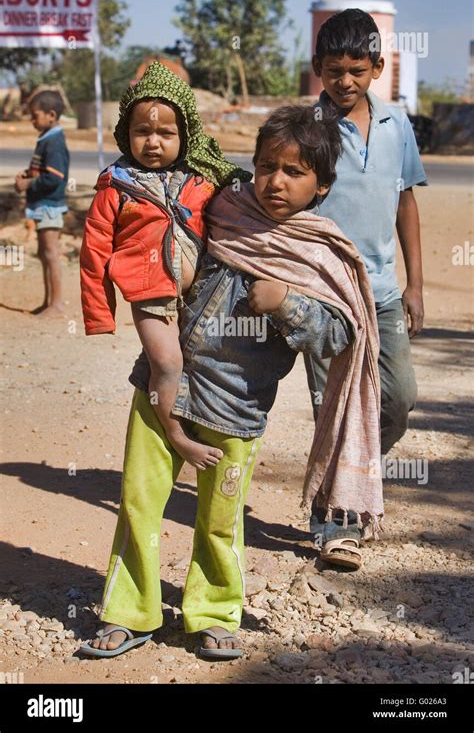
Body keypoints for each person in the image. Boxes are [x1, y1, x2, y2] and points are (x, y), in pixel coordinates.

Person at [79, 105, 381, 661]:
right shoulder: (226, 206)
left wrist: (288, 303)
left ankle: (215, 612)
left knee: (220, 518)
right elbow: (164, 172)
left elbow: (339, 333)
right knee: (138, 502)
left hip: (237, 406)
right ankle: (129, 611)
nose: (276, 182)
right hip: (162, 387)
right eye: (267, 166)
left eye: (294, 172)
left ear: (322, 186)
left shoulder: (318, 250)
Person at [80, 61, 250, 469]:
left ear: (185, 134)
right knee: (168, 363)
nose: (153, 142)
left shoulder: (203, 180)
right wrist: (99, 314)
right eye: (143, 132)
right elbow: (94, 253)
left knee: (200, 363)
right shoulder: (116, 186)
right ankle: (177, 437)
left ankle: (197, 421)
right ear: (126, 132)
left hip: (200, 295)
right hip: (150, 296)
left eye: (165, 133)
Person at [304, 8, 427, 569]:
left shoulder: (397, 124)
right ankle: (333, 522)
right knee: (331, 406)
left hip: (381, 291)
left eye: (356, 69)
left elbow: (405, 202)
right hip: (326, 292)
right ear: (317, 69)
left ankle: (357, 476)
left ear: (377, 68)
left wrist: (416, 285)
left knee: (398, 401)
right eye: (334, 70)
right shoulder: (307, 130)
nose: (345, 81)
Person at [14, 90, 70, 317]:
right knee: (43, 252)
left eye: (34, 115)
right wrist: (27, 176)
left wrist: (28, 185)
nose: (31, 120)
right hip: (43, 205)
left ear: (51, 115)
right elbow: (43, 171)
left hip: (50, 205)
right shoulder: (47, 138)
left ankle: (56, 305)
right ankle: (48, 302)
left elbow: (54, 178)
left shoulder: (54, 142)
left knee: (51, 253)